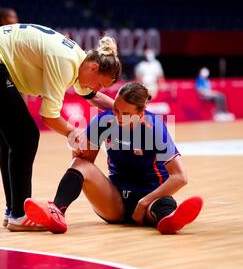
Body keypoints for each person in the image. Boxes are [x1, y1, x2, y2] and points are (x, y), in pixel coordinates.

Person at [0, 23, 121, 231]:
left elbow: (92, 96)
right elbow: (49, 117)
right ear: (94, 67)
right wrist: (73, 133)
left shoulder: (80, 61)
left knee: (11, 140)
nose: (96, 88)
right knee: (26, 136)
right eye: (100, 84)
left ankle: (13, 211)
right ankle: (20, 215)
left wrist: (121, 108)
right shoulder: (66, 62)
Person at [24, 82, 203, 235]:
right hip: (114, 201)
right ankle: (57, 211)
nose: (118, 117)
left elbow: (180, 177)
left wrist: (143, 202)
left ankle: (169, 221)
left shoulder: (154, 128)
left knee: (162, 206)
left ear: (141, 114)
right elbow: (85, 164)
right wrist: (77, 149)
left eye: (125, 114)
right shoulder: (105, 121)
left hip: (151, 197)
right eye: (116, 109)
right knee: (80, 163)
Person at [0, 7, 20, 158]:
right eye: (12, 17)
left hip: (17, 81)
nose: (16, 20)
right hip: (1, 80)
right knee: (1, 118)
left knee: (16, 118)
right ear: (3, 20)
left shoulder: (16, 36)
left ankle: (11, 147)